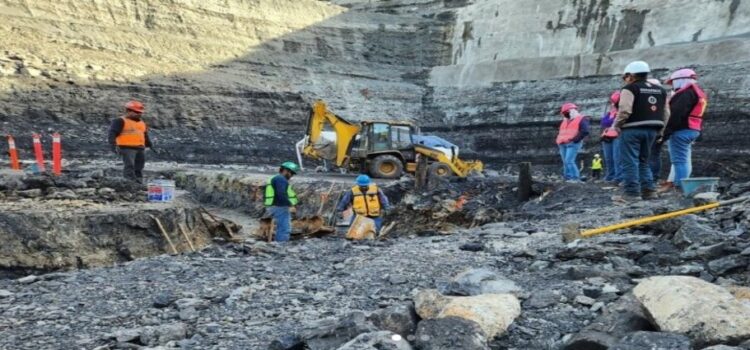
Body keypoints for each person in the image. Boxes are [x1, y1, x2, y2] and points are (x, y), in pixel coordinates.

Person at [614, 61, 670, 201]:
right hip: (652, 130)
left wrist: (617, 125)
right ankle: (649, 191)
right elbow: (666, 113)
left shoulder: (630, 89)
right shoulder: (660, 90)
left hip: (632, 129)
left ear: (631, 75)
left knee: (630, 161)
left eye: (625, 77)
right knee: (643, 161)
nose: (625, 80)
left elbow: (625, 110)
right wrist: (661, 130)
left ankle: (632, 193)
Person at [662, 68, 708, 191]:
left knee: (679, 161)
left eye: (674, 82)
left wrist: (665, 133)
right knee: (684, 160)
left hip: (682, 130)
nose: (673, 85)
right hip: (693, 129)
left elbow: (676, 114)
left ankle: (680, 186)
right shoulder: (698, 92)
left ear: (680, 80)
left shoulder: (685, 94)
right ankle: (683, 185)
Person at [108, 100, 153, 182]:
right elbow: (112, 133)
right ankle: (129, 182)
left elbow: (144, 135)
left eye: (140, 112)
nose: (139, 114)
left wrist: (149, 144)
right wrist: (113, 145)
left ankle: (139, 181)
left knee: (139, 166)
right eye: (136, 112)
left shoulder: (141, 123)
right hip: (126, 148)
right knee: (130, 165)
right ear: (128, 111)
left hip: (140, 147)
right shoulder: (120, 121)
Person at [264, 162, 300, 242]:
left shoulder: (276, 178)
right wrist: (290, 205)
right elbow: (281, 194)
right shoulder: (281, 179)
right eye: (292, 173)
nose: (291, 176)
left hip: (274, 206)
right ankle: (281, 246)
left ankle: (277, 243)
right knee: (284, 228)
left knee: (281, 227)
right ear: (286, 171)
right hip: (280, 207)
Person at [556, 103, 590, 182]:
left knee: (569, 161)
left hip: (572, 143)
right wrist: (558, 140)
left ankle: (575, 178)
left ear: (571, 111)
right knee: (565, 161)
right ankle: (568, 177)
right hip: (562, 143)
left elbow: (585, 131)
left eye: (565, 113)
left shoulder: (581, 119)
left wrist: (575, 140)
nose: (564, 114)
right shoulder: (565, 120)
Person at [646, 78, 666, 182]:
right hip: (657, 129)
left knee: (651, 154)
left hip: (653, 130)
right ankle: (653, 177)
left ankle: (651, 177)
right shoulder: (662, 97)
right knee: (654, 154)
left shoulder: (649, 98)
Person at [600, 91, 621, 182]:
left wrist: (611, 122)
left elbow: (609, 122)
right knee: (609, 158)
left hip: (618, 136)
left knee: (617, 157)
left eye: (613, 101)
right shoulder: (610, 113)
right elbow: (604, 123)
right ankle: (610, 175)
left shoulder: (622, 112)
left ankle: (619, 177)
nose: (612, 103)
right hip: (607, 137)